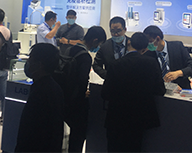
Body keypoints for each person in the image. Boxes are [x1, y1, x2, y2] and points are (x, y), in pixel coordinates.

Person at [101, 32, 166, 153]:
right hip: (139, 119)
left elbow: (105, 93)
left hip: (116, 118)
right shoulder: (151, 63)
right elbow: (160, 90)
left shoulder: (115, 64)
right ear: (145, 48)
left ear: (129, 43)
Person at [15, 43, 64, 153]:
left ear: (39, 64)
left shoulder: (42, 91)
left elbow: (32, 128)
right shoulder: (51, 87)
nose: (28, 62)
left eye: (31, 58)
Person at [64, 25, 106, 153]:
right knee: (78, 133)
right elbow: (82, 80)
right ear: (95, 40)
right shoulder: (85, 57)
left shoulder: (69, 50)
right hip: (76, 102)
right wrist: (84, 93)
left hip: (65, 96)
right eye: (99, 44)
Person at [143, 25, 192, 89]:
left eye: (150, 41)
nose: (148, 45)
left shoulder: (177, 47)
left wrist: (178, 73)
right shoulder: (148, 54)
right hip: (161, 90)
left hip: (181, 89)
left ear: (157, 39)